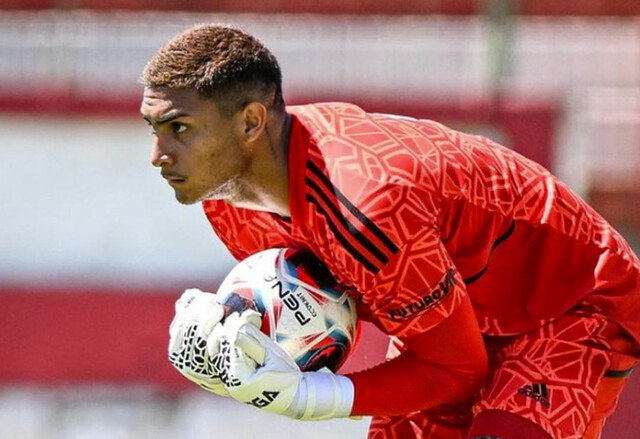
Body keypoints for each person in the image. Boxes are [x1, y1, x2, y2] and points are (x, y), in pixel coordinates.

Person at [139, 24, 640, 439]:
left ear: (251, 123)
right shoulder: (229, 202)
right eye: (153, 128)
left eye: (179, 128)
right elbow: (338, 308)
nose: (157, 155)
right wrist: (239, 351)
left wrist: (309, 398)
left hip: (569, 302)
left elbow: (454, 368)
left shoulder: (366, 206)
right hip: (454, 319)